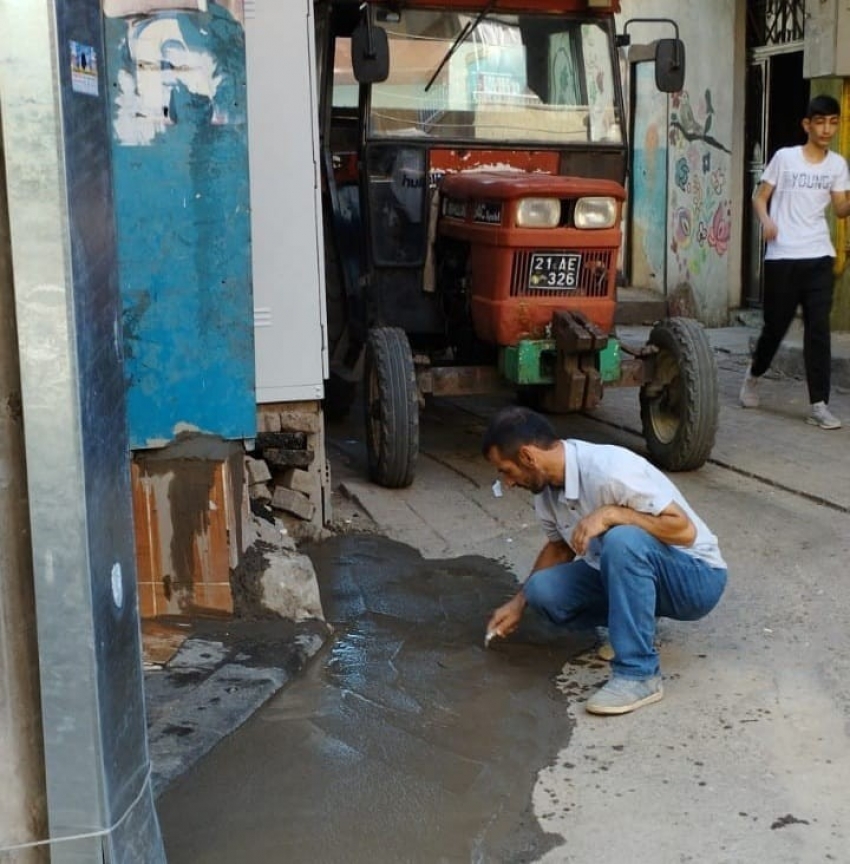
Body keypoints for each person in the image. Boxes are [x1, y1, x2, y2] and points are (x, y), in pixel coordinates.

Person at [482, 406, 727, 716]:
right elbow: (559, 550)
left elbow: (683, 530)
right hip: (640, 570)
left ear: (529, 458)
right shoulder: (545, 493)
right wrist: (518, 603)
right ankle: (636, 624)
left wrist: (612, 514)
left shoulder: (609, 468)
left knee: (622, 539)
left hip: (696, 577)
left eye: (506, 470)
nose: (507, 482)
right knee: (541, 591)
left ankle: (639, 674)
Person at [740, 94, 850, 429]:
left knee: (818, 331)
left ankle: (819, 404)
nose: (827, 128)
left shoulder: (837, 165)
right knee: (776, 326)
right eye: (820, 122)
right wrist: (766, 222)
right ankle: (755, 373)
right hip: (783, 256)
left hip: (819, 256)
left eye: (833, 122)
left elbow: (841, 208)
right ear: (807, 124)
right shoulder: (785, 159)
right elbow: (759, 197)